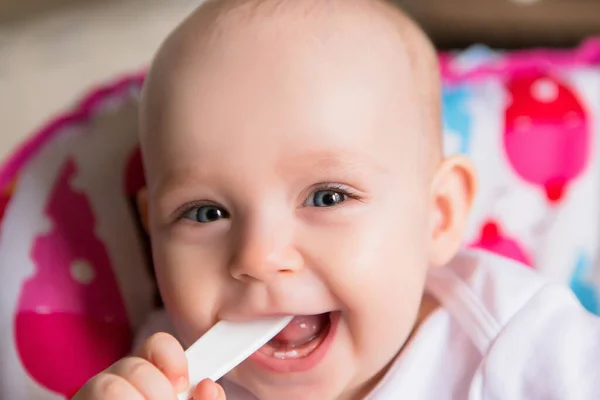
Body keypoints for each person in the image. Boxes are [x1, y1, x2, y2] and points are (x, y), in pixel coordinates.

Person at [73, 0, 600, 399]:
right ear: (152, 238)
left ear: (436, 217)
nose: (258, 257)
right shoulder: (164, 370)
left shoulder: (522, 348)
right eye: (206, 213)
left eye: (326, 197)